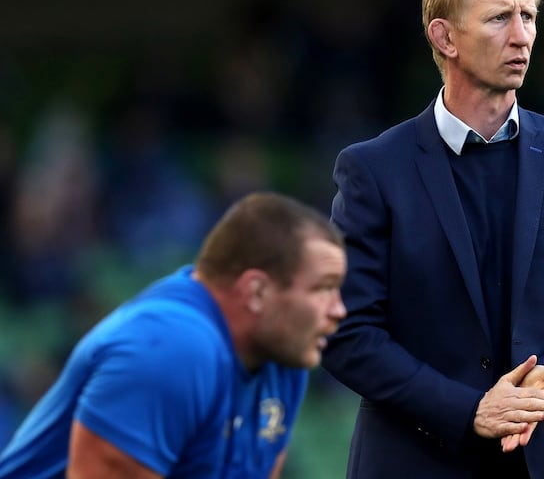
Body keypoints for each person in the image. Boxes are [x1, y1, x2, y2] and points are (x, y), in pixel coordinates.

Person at [321, 0, 544, 478]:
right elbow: (347, 331)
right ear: (444, 37)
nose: (522, 36)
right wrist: (467, 410)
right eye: (499, 18)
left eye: (529, 17)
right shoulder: (372, 170)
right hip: (417, 458)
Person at [0, 191, 348, 478]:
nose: (338, 310)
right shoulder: (169, 349)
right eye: (323, 289)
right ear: (256, 292)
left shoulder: (284, 356)